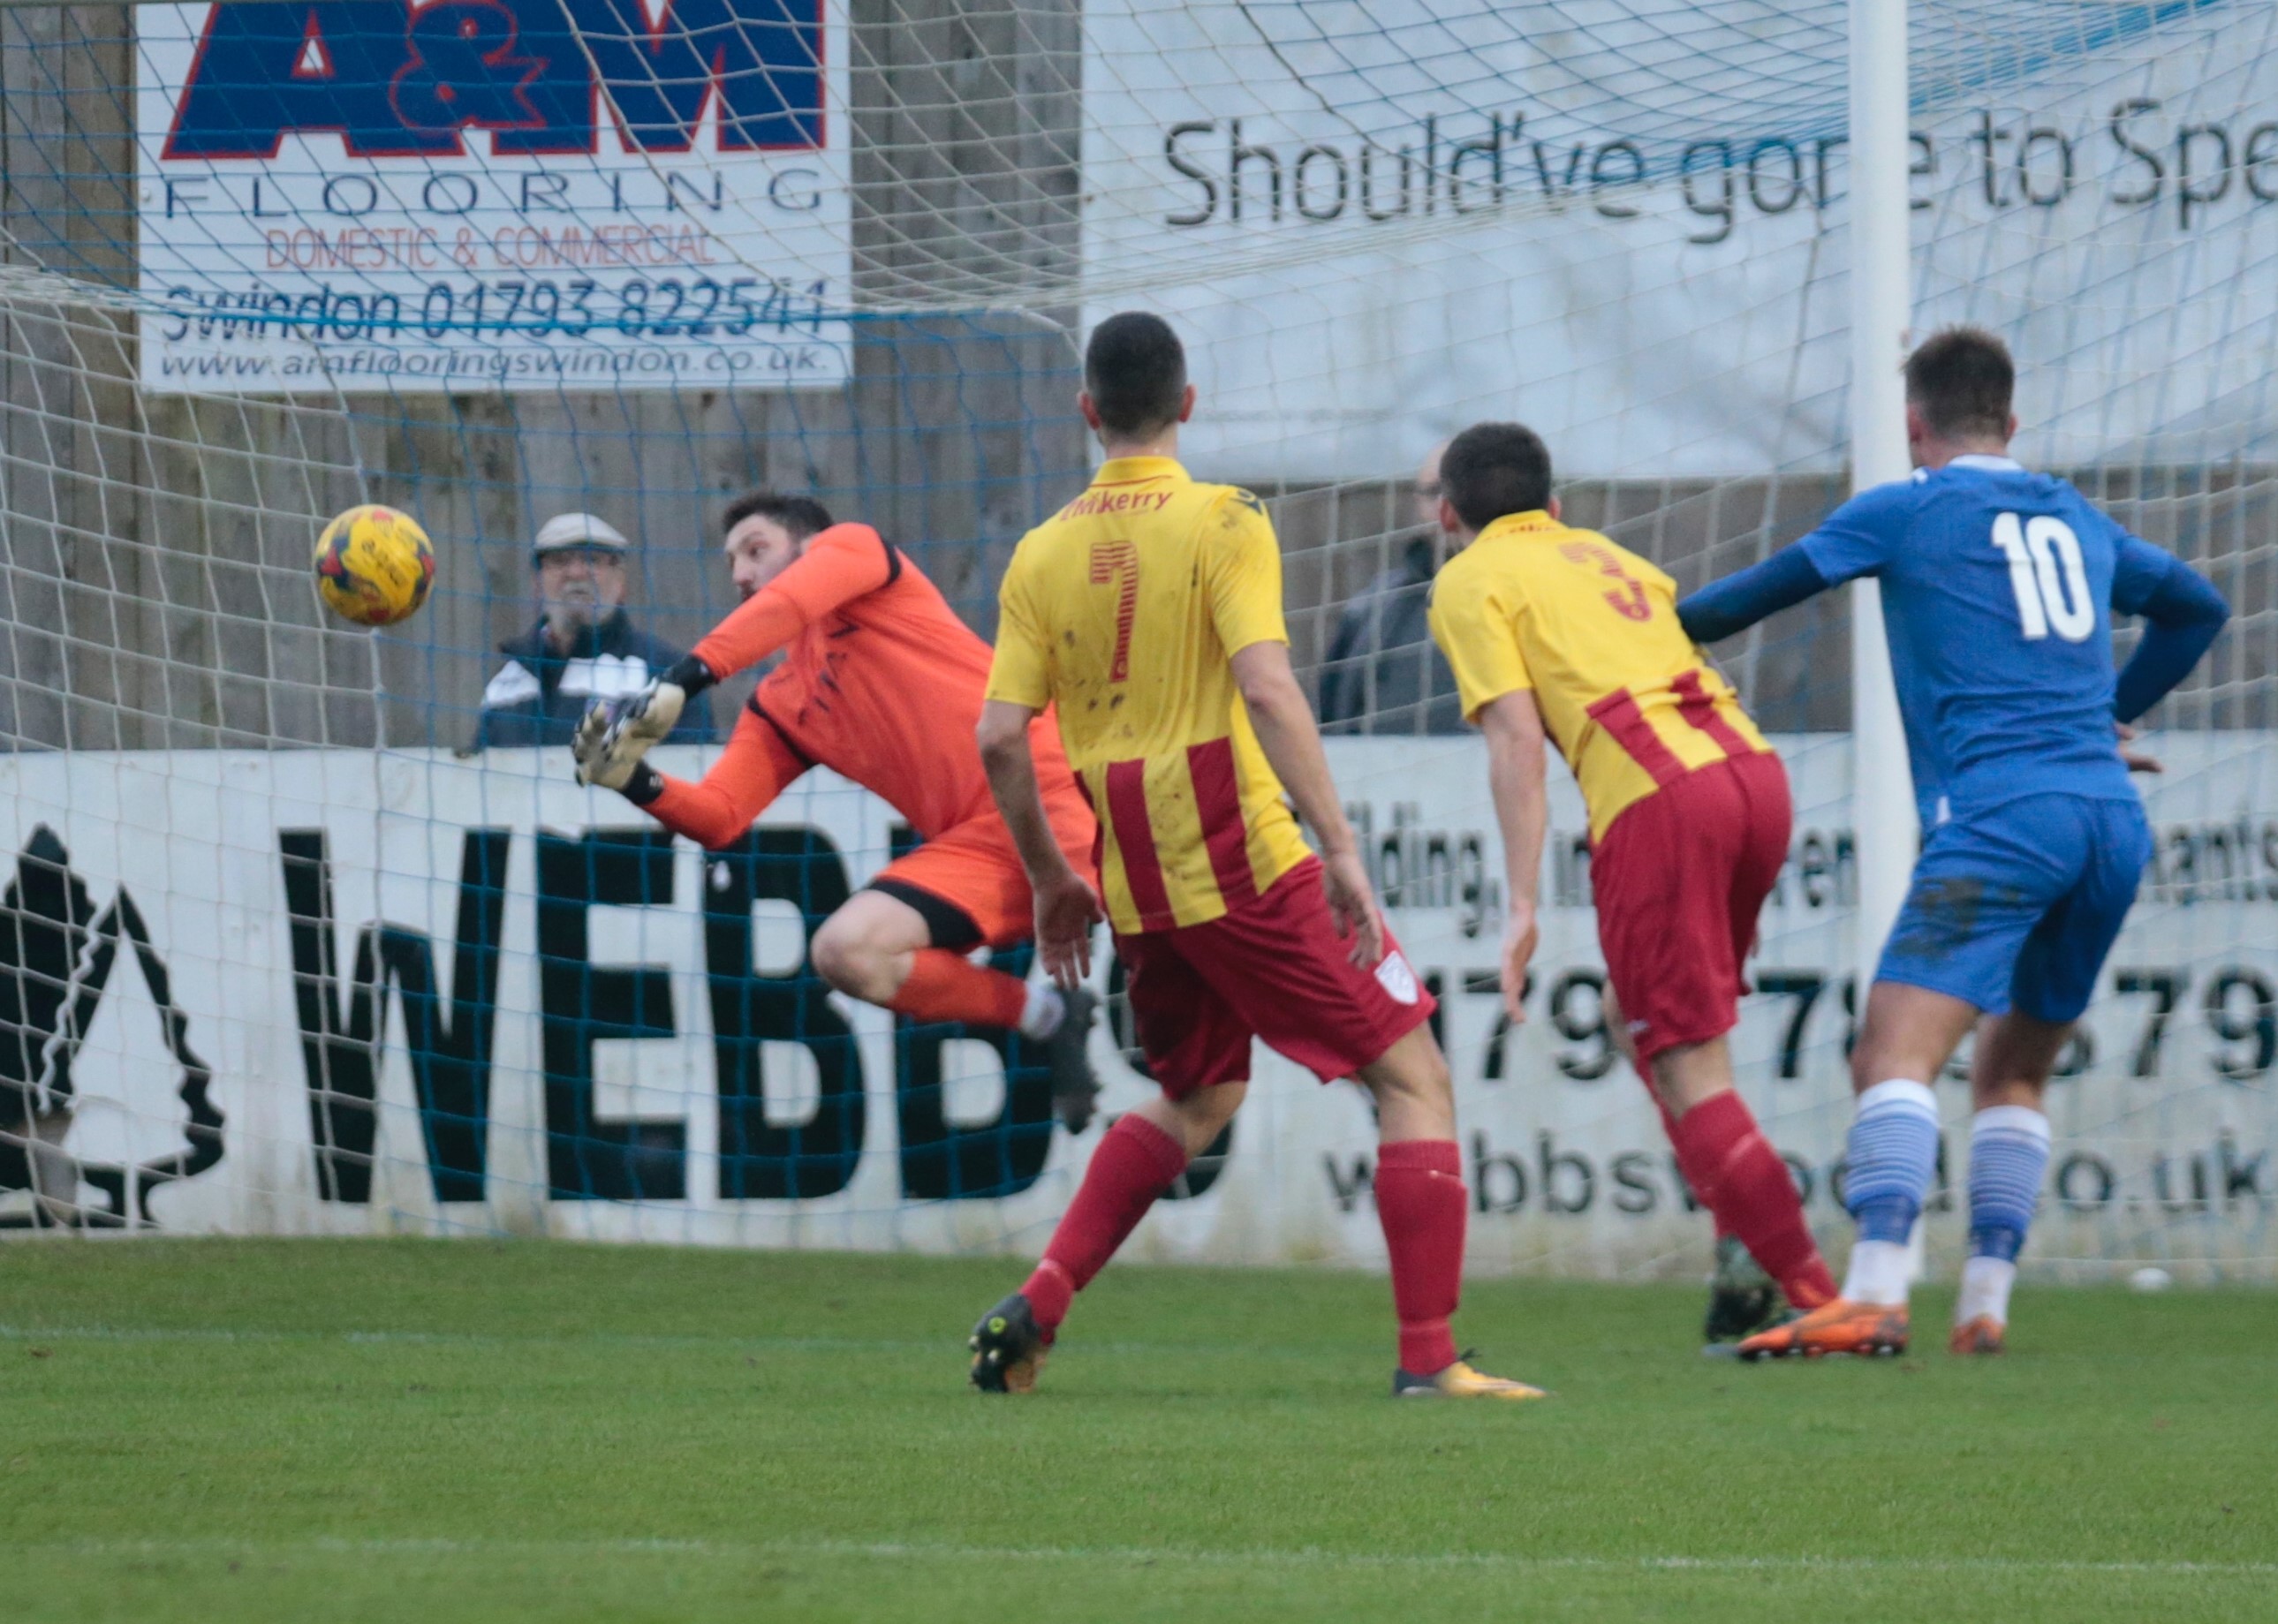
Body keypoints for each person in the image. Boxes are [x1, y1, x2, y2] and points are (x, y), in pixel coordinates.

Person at [965, 312, 1541, 1401]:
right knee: (1412, 1074)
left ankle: (1037, 1303)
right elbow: (1269, 687)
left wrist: (1052, 879)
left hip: (1135, 873)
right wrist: (1340, 849)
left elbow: (998, 735)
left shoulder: (1040, 552)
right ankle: (1429, 1361)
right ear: (1188, 404)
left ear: (1088, 414)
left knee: (1199, 1092)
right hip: (1238, 851)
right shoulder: (1225, 518)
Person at [1678, 328, 2227, 1358]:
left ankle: (1876, 1293)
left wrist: (1632, 622)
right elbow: (2197, 606)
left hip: (2004, 819)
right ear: (2010, 424)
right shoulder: (2073, 513)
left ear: (1909, 427)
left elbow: (1729, 606)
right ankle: (1982, 1306)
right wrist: (2111, 715)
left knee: (1890, 1053)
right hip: (2108, 821)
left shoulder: (1901, 510)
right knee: (2012, 1072)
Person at [1425, 422, 1842, 1349]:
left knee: (1682, 1059)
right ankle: (1743, 1269)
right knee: (1644, 1025)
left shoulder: (1465, 577)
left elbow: (1514, 740)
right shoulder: (1608, 554)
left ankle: (1816, 1299)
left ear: (1450, 516)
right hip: (1752, 773)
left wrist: (1523, 902)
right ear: (1554, 507)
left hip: (1662, 800)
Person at [568, 491, 1105, 1130]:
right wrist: (633, 779)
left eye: (756, 549)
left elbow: (788, 601)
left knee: (1194, 1022)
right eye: (731, 560)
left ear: (808, 546)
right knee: (846, 952)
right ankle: (1047, 1016)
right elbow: (719, 817)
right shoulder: (782, 702)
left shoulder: (857, 551)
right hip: (976, 849)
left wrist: (680, 681)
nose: (740, 573)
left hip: (1058, 807)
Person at [473, 512, 718, 751]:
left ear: (620, 582)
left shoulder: (666, 676)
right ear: (537, 583)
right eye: (560, 561)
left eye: (592, 560)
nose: (576, 573)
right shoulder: (506, 684)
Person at [1318, 442, 1465, 735]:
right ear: (1418, 501)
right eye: (1435, 491)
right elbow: (1330, 714)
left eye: (1463, 490)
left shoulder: (1535, 599)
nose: (1446, 506)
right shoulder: (1374, 606)